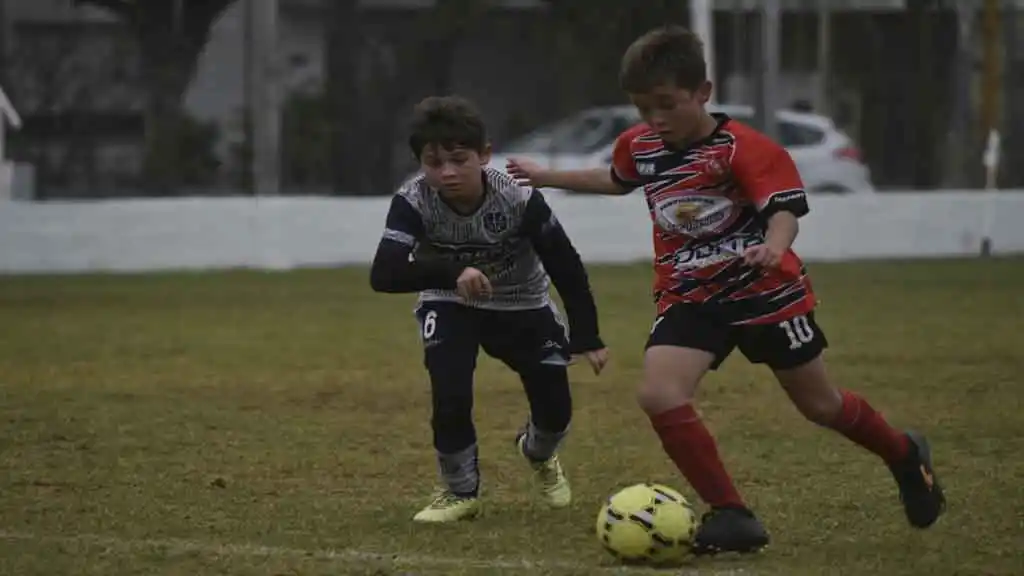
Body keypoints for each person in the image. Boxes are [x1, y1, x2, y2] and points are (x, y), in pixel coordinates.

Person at [506, 25, 945, 554]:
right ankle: (733, 514)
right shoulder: (641, 144)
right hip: (691, 296)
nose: (655, 120)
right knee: (659, 393)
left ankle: (903, 455)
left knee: (821, 406)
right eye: (644, 109)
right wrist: (547, 176)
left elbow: (783, 212)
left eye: (667, 105)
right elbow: (618, 179)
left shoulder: (746, 149)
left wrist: (775, 248)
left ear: (703, 93)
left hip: (766, 294)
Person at [370, 95, 609, 523]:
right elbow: (384, 274)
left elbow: (565, 264)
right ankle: (460, 492)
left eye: (459, 160)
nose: (447, 172)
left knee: (555, 408)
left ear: (484, 155)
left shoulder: (517, 198)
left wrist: (586, 334)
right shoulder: (413, 200)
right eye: (433, 161)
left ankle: (537, 453)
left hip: (524, 304)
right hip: (450, 302)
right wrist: (453, 273)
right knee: (450, 392)